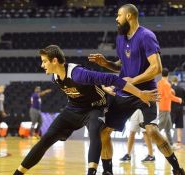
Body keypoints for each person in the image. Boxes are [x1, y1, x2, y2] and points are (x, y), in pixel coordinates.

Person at [13, 45, 157, 175]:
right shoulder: (55, 78)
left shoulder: (78, 73)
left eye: (44, 61)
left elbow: (112, 79)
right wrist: (101, 87)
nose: (42, 64)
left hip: (95, 108)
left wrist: (140, 93)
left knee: (95, 132)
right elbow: (89, 86)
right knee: (45, 139)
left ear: (55, 61)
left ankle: (91, 172)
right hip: (74, 109)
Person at [88, 4, 185, 175]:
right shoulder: (120, 38)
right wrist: (106, 64)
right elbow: (121, 66)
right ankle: (108, 171)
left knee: (152, 131)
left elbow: (156, 68)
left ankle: (177, 169)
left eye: (119, 15)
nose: (116, 19)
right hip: (124, 93)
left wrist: (133, 80)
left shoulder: (146, 36)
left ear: (130, 16)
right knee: (104, 132)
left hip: (146, 93)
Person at [157, 68, 182, 146]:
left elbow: (162, 93)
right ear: (168, 75)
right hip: (165, 108)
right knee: (160, 126)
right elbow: (168, 96)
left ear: (162, 74)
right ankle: (148, 140)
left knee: (167, 128)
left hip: (161, 106)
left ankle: (171, 144)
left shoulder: (159, 83)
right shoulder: (167, 84)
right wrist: (178, 99)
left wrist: (170, 90)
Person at [171, 76, 185, 149]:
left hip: (172, 109)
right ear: (177, 81)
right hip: (180, 109)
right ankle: (179, 142)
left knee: (169, 126)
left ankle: (169, 142)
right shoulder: (182, 89)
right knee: (179, 126)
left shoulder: (170, 88)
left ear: (172, 81)